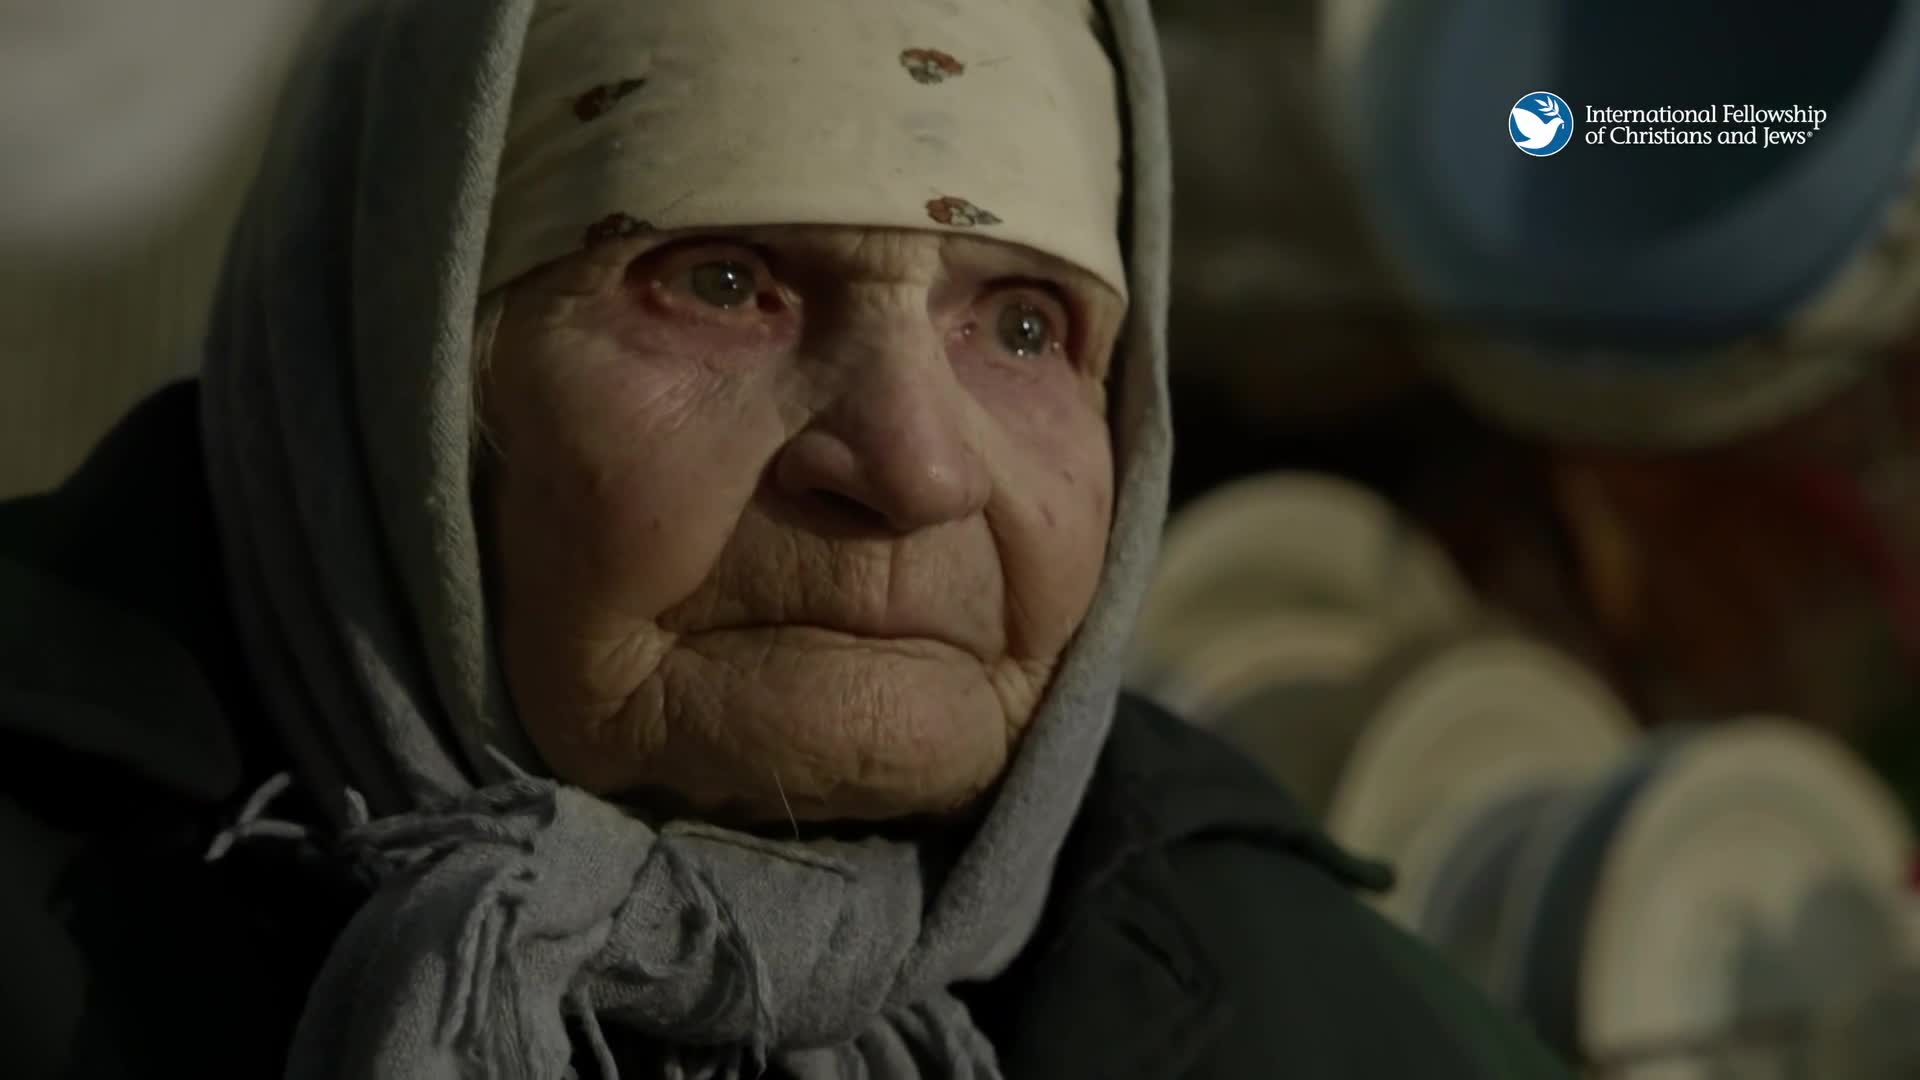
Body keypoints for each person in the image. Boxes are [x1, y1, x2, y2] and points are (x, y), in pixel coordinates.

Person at [0, 0, 1571, 1076]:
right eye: (726, 285)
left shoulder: (1290, 1015)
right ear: (387, 360)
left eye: (1022, 327)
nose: (910, 465)